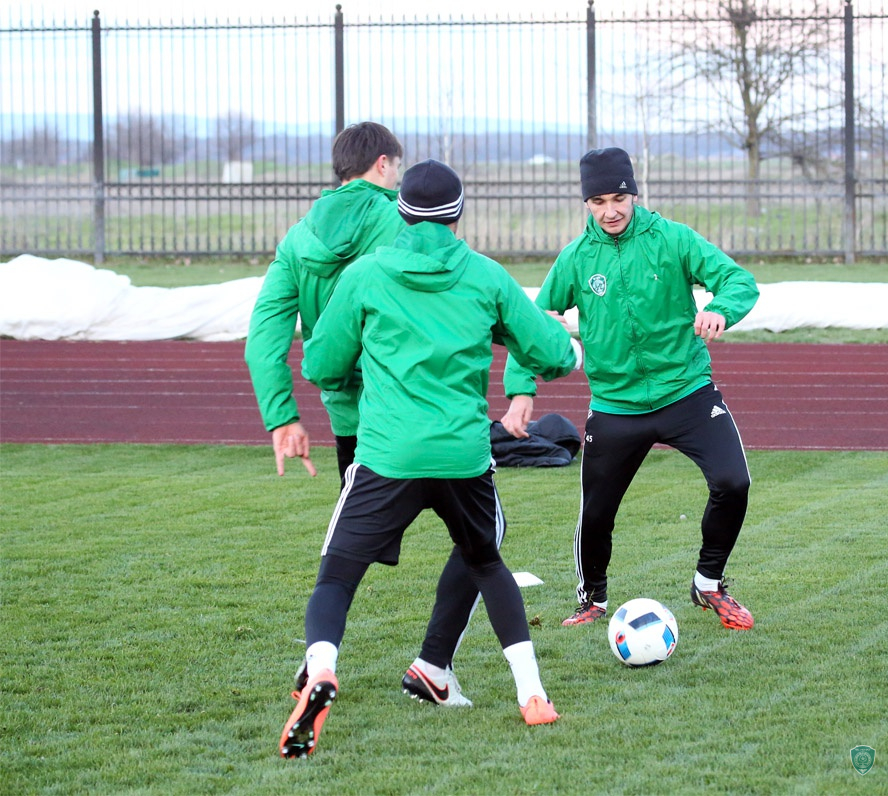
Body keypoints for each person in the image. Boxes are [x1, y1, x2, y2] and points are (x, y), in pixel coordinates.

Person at [279, 159, 580, 758]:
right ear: (458, 214)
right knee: (486, 561)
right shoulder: (486, 276)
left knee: (337, 575)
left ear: (402, 213)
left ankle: (321, 669)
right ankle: (532, 694)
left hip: (387, 454)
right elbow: (553, 352)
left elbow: (320, 364)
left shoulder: (366, 275)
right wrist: (546, 343)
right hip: (462, 457)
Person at [502, 146, 760, 631]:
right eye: (598, 201)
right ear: (587, 204)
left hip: (686, 391)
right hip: (616, 406)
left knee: (734, 482)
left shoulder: (673, 239)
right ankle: (592, 599)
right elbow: (533, 325)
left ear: (634, 194)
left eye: (618, 198)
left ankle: (709, 583)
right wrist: (521, 389)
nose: (610, 211)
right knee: (597, 513)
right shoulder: (576, 258)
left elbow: (738, 280)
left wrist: (720, 308)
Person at [244, 121, 405, 481]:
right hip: (408, 404)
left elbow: (263, 341)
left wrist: (282, 418)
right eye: (397, 167)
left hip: (347, 413)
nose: (398, 177)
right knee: (468, 514)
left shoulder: (296, 239)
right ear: (383, 164)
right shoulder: (403, 223)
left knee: (360, 515)